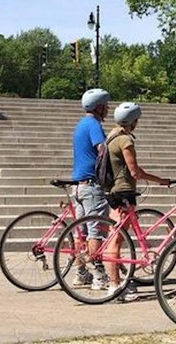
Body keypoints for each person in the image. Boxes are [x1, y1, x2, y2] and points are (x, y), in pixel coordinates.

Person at [105, 102, 171, 301]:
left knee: (114, 236)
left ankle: (116, 282)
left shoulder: (111, 136)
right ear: (132, 121)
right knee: (116, 240)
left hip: (113, 190)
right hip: (124, 191)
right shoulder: (124, 140)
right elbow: (135, 171)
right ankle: (114, 286)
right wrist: (161, 180)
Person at [70, 88, 111, 290]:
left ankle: (80, 274)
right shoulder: (94, 125)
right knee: (96, 232)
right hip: (92, 187)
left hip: (78, 186)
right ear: (100, 107)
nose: (108, 109)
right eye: (106, 106)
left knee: (81, 233)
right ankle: (99, 277)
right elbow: (101, 151)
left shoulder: (80, 125)